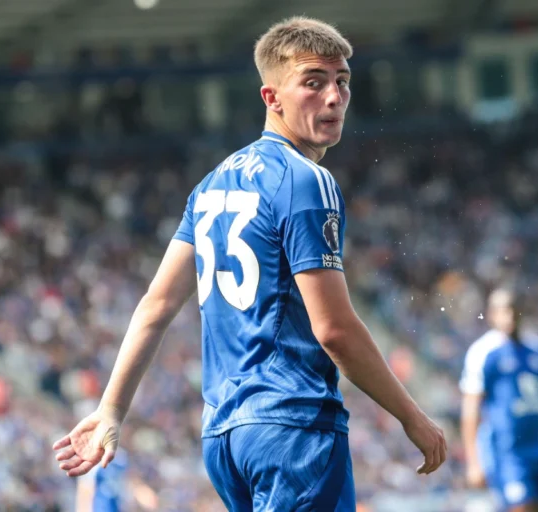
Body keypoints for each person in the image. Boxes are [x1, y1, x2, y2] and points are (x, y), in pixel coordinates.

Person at [54, 16, 446, 511]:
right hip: (293, 427)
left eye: (342, 82)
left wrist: (111, 410)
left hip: (224, 437)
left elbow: (155, 305)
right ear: (271, 98)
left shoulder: (211, 184)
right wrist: (412, 417)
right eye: (313, 82)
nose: (333, 97)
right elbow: (334, 330)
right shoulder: (306, 180)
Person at [460, 288, 538, 512]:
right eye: (503, 311)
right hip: (505, 450)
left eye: (514, 310)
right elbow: (470, 411)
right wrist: (474, 462)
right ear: (492, 314)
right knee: (522, 507)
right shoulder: (483, 353)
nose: (510, 316)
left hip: (535, 448)